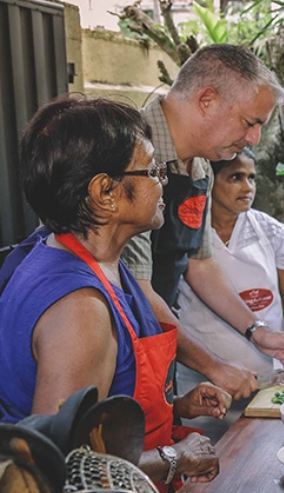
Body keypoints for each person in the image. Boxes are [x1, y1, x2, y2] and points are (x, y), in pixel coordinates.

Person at [0, 97, 224, 489]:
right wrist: (176, 457)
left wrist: (170, 409)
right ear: (106, 192)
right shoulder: (79, 311)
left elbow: (100, 400)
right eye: (153, 170)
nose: (164, 181)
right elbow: (61, 470)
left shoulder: (93, 257)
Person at [122, 44, 284, 395]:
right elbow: (137, 292)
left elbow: (201, 262)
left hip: (162, 349)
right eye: (249, 122)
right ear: (207, 100)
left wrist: (257, 331)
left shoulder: (201, 166)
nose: (253, 139)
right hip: (119, 352)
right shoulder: (130, 157)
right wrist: (214, 366)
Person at [176, 147, 284, 439]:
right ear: (209, 179)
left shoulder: (271, 231)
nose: (247, 187)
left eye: (252, 178)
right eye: (236, 177)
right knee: (207, 468)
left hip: (268, 379)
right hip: (204, 385)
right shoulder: (185, 232)